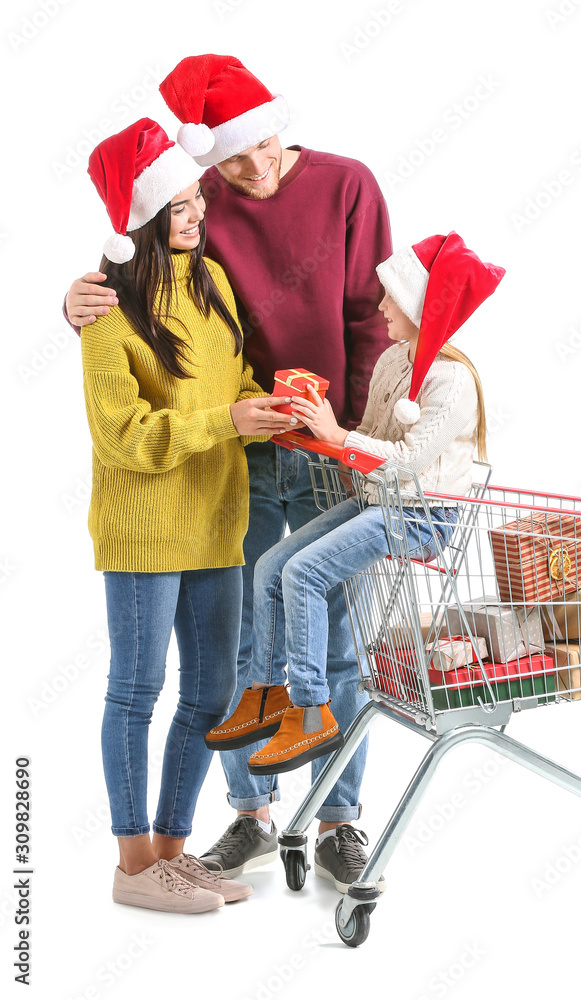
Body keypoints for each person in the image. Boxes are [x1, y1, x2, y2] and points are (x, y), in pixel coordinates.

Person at [65, 55, 392, 889]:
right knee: (247, 646)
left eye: (259, 147)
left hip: (326, 448)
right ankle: (248, 814)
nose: (249, 172)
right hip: (231, 459)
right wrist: (75, 301)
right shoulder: (198, 217)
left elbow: (373, 320)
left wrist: (350, 437)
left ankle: (338, 818)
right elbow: (138, 288)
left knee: (339, 640)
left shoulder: (348, 187)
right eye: (224, 165)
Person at [208, 233, 504, 890]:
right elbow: (366, 443)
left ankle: (309, 712)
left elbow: (402, 461)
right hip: (380, 499)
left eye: (393, 300)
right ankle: (262, 697)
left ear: (424, 308)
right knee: (270, 570)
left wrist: (338, 435)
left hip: (421, 513)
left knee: (307, 574)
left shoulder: (452, 380)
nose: (380, 309)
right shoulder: (399, 361)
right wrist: (307, 428)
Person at [81, 118, 296, 913]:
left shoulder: (211, 285)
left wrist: (262, 405)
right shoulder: (103, 310)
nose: (197, 215)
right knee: (136, 691)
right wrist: (225, 425)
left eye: (195, 199)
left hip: (217, 521)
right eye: (177, 208)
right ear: (139, 221)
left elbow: (231, 380)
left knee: (210, 695)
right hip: (144, 530)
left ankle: (172, 853)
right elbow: (127, 436)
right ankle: (132, 866)